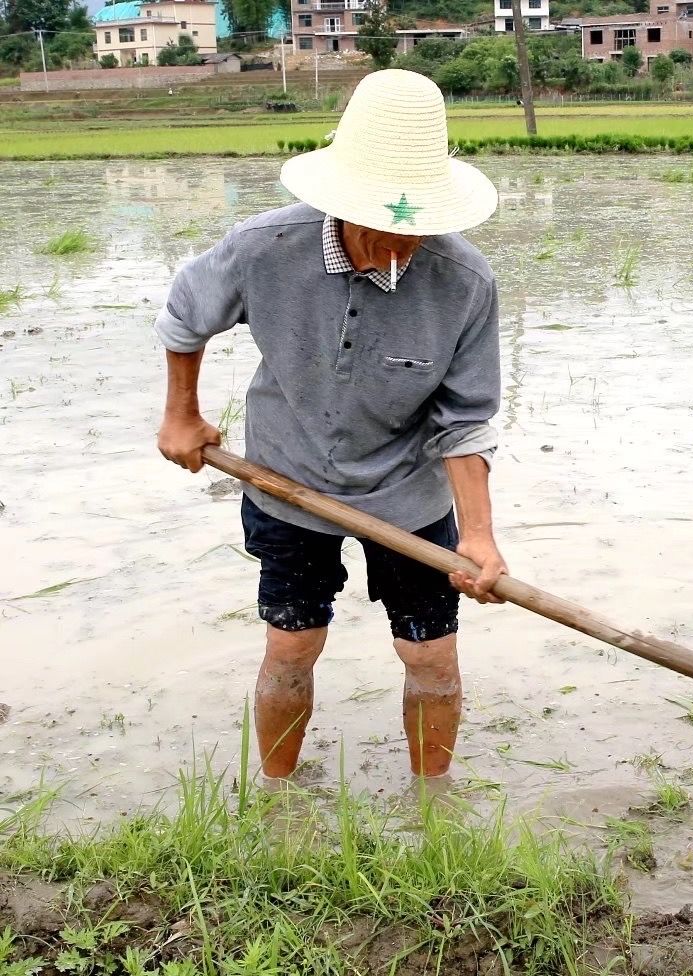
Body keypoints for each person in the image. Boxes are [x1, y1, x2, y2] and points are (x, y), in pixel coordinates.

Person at [154, 70, 508, 779]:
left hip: (407, 496)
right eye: (386, 227)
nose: (403, 248)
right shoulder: (264, 248)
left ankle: (432, 810)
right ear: (341, 203)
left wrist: (478, 535)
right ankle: (279, 801)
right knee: (290, 646)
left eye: (417, 229)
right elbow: (186, 315)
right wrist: (182, 415)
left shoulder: (464, 283)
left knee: (430, 656)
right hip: (286, 481)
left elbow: (463, 421)